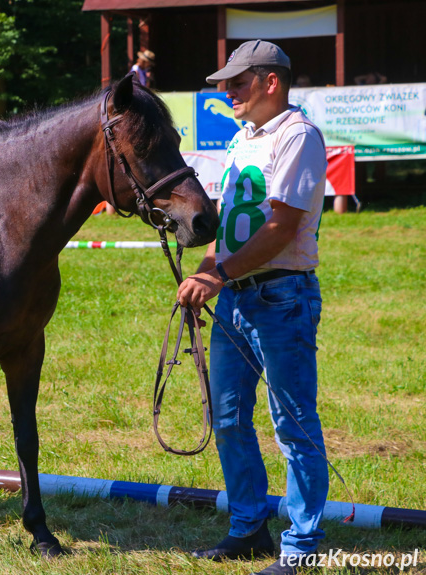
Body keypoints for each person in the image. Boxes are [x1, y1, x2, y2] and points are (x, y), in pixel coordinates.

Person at [176, 40, 328, 575]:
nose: (228, 91)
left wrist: (219, 274)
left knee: (293, 423)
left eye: (238, 82)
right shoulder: (243, 139)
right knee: (230, 418)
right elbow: (232, 224)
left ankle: (303, 547)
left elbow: (280, 227)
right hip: (237, 297)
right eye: (226, 83)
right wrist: (204, 271)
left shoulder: (298, 137)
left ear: (270, 82)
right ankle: (248, 529)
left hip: (281, 296)